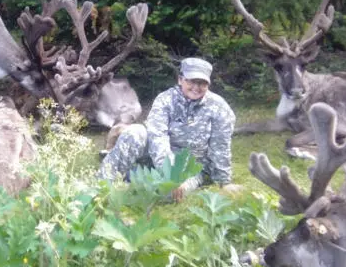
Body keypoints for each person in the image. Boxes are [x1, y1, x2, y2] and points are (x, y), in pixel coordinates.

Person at [97, 57, 242, 201]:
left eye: (202, 83)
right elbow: (158, 137)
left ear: (208, 84)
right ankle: (102, 185)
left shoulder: (220, 108)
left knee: (168, 194)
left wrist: (224, 182)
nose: (196, 87)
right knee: (134, 132)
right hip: (160, 160)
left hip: (191, 169)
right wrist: (172, 174)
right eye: (191, 81)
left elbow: (220, 146)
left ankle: (133, 177)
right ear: (180, 80)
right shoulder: (165, 100)